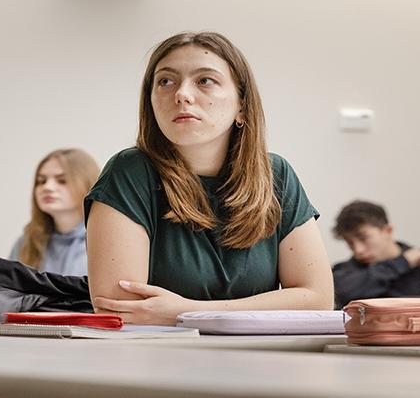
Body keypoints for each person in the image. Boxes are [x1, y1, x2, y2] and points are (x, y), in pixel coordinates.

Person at [84, 31, 334, 325]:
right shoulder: (129, 171)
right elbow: (121, 308)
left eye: (205, 81)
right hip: (159, 361)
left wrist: (185, 311)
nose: (182, 94)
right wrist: (254, 309)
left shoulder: (276, 174)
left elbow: (317, 299)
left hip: (261, 361)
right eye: (165, 81)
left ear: (242, 105)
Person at [10, 149, 100, 276]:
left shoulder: (105, 241)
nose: (47, 187)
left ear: (87, 185)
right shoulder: (27, 241)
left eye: (62, 181)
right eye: (41, 181)